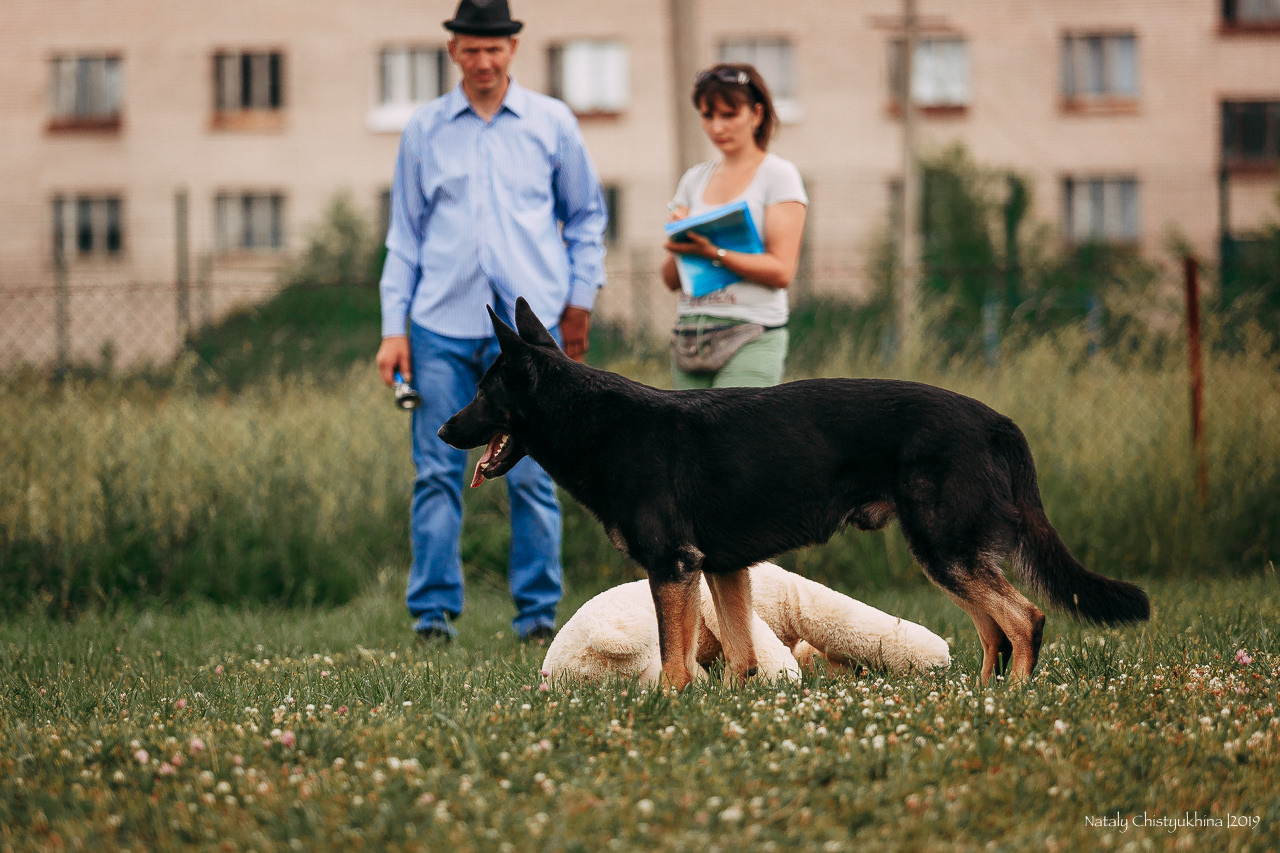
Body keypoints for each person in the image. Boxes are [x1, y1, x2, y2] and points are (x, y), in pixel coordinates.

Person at [375, 0, 608, 645]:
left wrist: (579, 303)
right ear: (453, 50)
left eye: (494, 48)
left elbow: (586, 218)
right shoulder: (424, 130)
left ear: (513, 49)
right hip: (439, 329)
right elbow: (404, 236)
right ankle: (432, 616)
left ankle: (537, 617)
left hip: (531, 338)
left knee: (534, 476)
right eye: (471, 48)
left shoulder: (552, 123)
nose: (483, 60)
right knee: (436, 471)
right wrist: (394, 329)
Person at [661, 63, 808, 388]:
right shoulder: (693, 179)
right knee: (686, 425)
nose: (717, 127)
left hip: (750, 333)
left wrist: (713, 252)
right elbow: (670, 280)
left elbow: (782, 271)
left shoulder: (778, 175)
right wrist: (678, 245)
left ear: (756, 114)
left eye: (729, 114)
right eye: (707, 115)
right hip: (690, 336)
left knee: (735, 423)